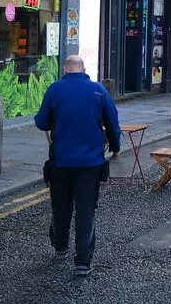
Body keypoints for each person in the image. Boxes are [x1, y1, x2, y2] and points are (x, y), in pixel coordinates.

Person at [34, 54, 121, 277]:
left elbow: (42, 122)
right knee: (85, 211)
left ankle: (61, 245)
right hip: (90, 164)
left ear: (65, 69)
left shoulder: (54, 90)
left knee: (61, 207)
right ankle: (82, 261)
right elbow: (113, 122)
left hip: (61, 161)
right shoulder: (98, 91)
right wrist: (115, 146)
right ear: (84, 70)